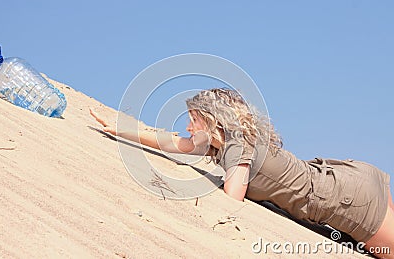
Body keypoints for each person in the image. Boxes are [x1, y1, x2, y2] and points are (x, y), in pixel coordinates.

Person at [90, 88, 393, 258]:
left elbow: (232, 198)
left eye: (193, 121)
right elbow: (172, 142)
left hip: (345, 202)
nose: (188, 128)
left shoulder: (237, 145)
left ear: (211, 123)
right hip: (351, 178)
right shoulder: (227, 142)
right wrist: (121, 130)